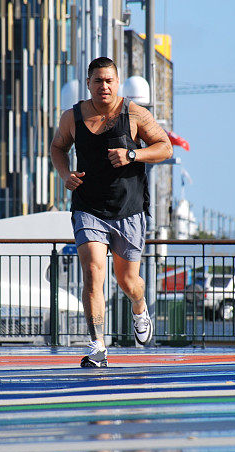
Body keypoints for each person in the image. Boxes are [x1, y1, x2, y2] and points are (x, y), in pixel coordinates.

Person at [50, 57, 172, 367]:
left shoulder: (133, 113)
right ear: (88, 84)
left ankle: (140, 308)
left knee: (127, 280)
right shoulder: (72, 116)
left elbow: (165, 147)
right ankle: (98, 346)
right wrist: (65, 174)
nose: (103, 86)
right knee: (92, 272)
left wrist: (133, 153)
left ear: (116, 83)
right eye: (97, 81)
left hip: (129, 209)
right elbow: (58, 148)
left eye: (109, 81)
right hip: (88, 207)